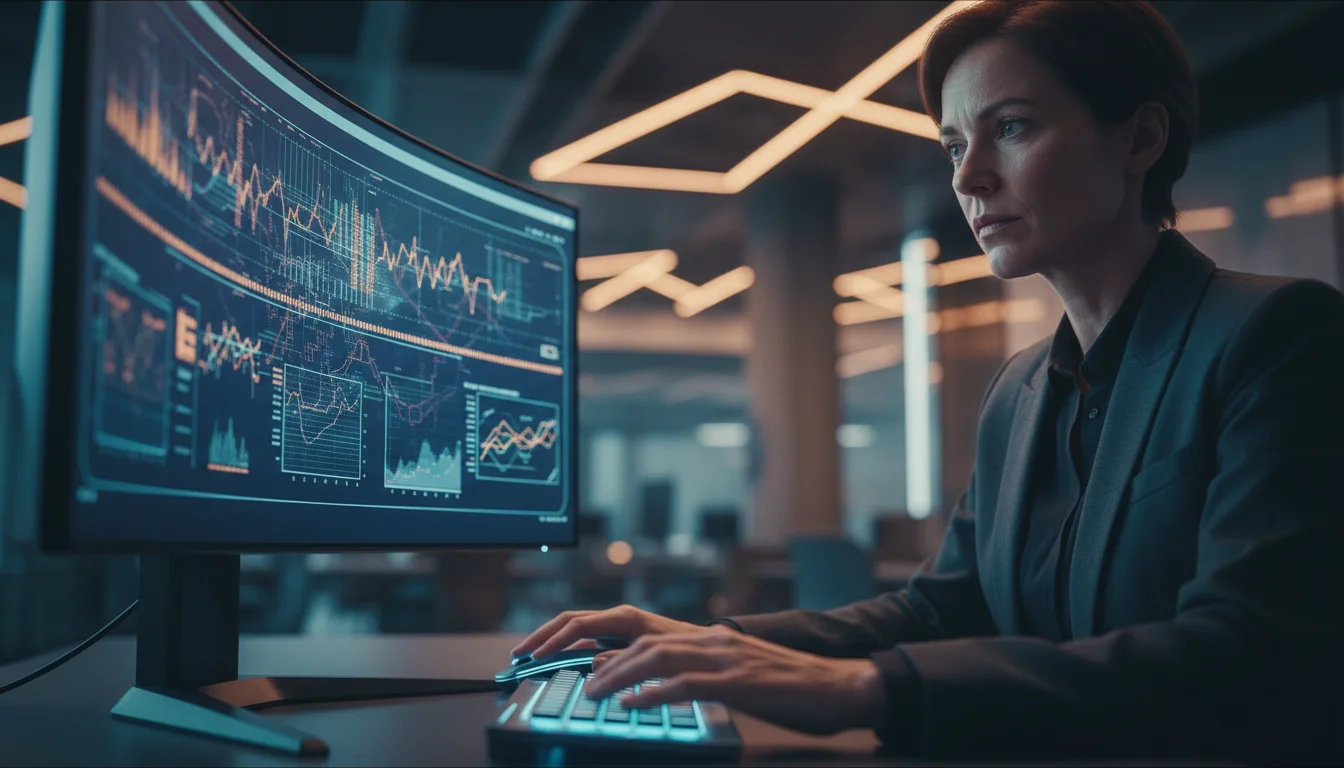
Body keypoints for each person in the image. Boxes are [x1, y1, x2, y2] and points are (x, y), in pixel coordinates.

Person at [512, 1, 1344, 762]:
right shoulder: (1018, 392)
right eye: (954, 146)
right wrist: (708, 638)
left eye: (1010, 128)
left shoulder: (1276, 336)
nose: (968, 177)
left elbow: (1249, 649)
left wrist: (866, 688)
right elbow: (939, 611)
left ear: (1140, 140)